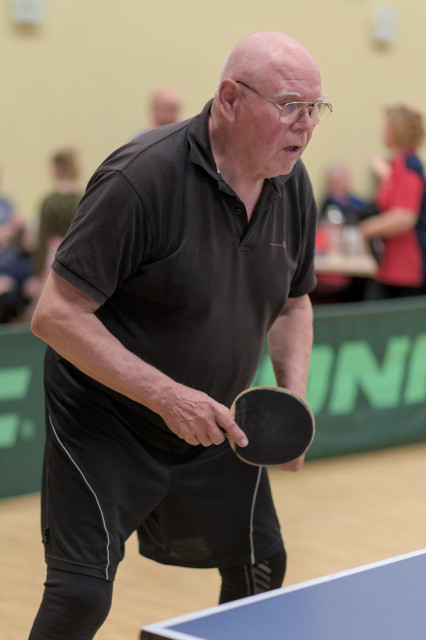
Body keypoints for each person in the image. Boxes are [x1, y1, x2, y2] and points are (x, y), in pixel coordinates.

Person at [28, 31, 332, 639]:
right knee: (80, 596)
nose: (305, 125)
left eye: (315, 108)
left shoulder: (292, 183)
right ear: (230, 98)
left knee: (261, 570)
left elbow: (293, 304)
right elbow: (55, 314)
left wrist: (290, 401)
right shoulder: (140, 178)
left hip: (215, 421)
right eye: (289, 105)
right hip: (107, 420)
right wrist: (166, 396)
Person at [359, 105, 426, 299]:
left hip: (406, 264)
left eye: (386, 127)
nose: (382, 131)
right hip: (392, 264)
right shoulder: (398, 165)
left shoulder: (408, 166)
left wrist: (366, 229)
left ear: (397, 131)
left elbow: (403, 218)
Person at [20, 149, 83, 320]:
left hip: (54, 258)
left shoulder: (50, 202)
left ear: (57, 167)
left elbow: (42, 240)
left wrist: (36, 274)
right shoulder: (82, 199)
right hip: (76, 258)